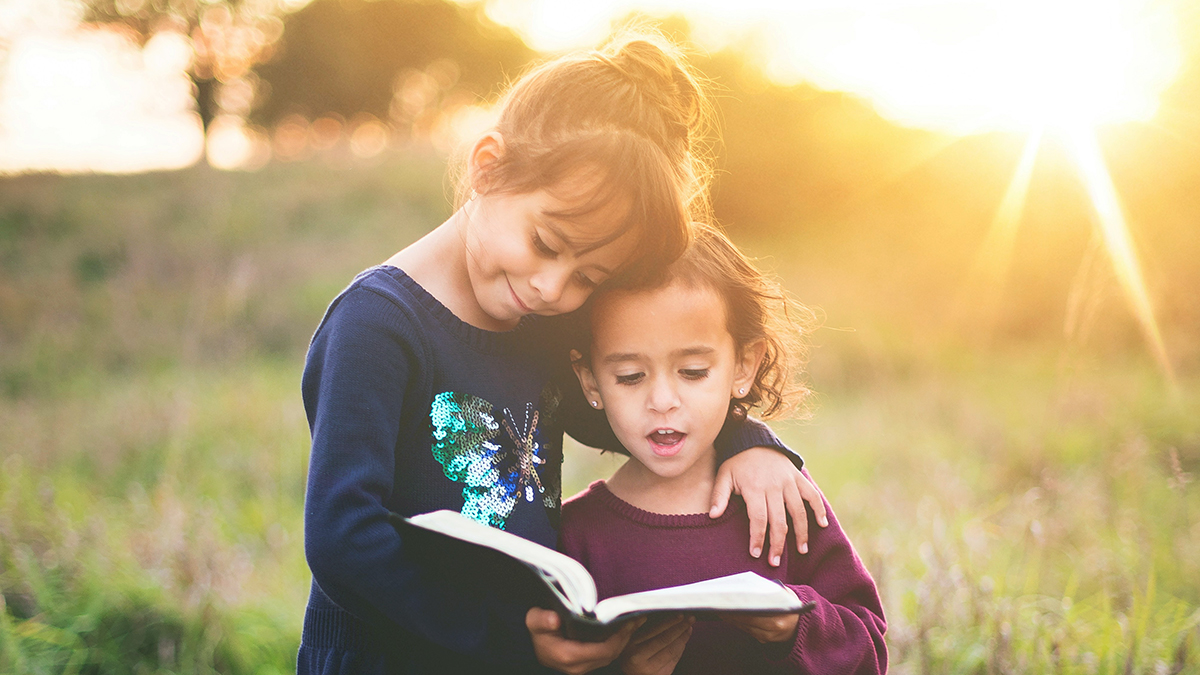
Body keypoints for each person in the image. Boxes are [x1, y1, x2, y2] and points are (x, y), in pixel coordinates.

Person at [297, 33, 827, 674]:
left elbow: (637, 416)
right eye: (546, 242)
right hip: (389, 655)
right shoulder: (378, 326)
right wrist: (509, 637)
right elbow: (342, 539)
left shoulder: (538, 322)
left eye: (589, 277)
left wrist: (751, 444)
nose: (554, 288)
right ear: (488, 165)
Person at [561, 226, 888, 675]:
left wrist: (793, 623)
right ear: (591, 381)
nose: (662, 400)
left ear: (744, 366)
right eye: (631, 376)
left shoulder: (778, 495)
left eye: (693, 372)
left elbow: (868, 646)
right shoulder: (577, 534)